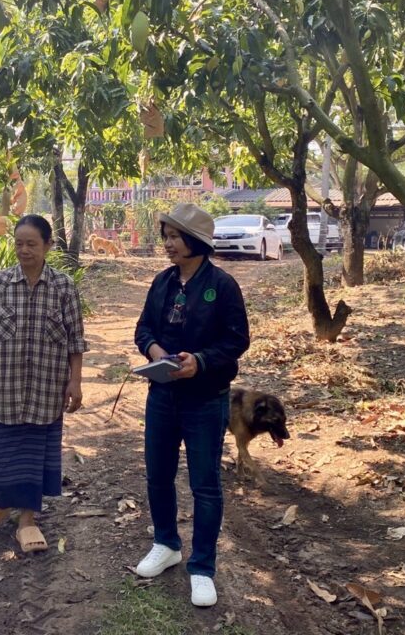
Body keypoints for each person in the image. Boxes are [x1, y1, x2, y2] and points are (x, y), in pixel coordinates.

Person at [133, 203, 250, 606]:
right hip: (162, 395)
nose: (168, 244)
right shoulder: (162, 282)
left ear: (195, 242)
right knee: (158, 475)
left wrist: (199, 361)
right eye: (166, 237)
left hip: (205, 400)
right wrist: (156, 352)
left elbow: (236, 340)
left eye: (175, 237)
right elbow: (143, 328)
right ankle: (166, 544)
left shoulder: (223, 285)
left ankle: (202, 567)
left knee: (205, 484)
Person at [0, 215, 86, 553]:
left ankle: (27, 520)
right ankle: (2, 501)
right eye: (19, 244)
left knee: (34, 457)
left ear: (48, 245)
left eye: (32, 244)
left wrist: (75, 381)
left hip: (45, 390)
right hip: (4, 390)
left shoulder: (63, 287)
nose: (24, 250)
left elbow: (76, 340)